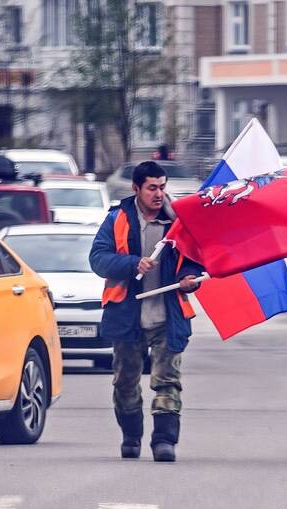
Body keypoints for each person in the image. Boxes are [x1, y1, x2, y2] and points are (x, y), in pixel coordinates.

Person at [89, 161, 202, 462]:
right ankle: (131, 436)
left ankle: (164, 441)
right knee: (125, 382)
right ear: (136, 188)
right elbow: (98, 259)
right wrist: (132, 264)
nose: (158, 194)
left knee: (167, 380)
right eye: (152, 188)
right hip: (127, 317)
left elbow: (195, 258)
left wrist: (190, 279)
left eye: (163, 187)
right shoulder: (117, 219)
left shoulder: (178, 221)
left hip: (168, 316)